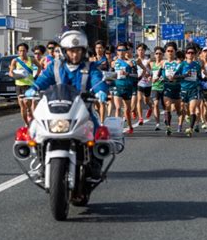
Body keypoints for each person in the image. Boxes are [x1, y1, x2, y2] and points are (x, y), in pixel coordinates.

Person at [25, 31, 109, 180]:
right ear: (65, 52)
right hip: (57, 109)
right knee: (36, 130)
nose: (74, 55)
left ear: (83, 51)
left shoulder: (90, 67)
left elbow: (98, 80)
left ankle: (95, 163)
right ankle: (42, 164)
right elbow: (44, 79)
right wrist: (34, 88)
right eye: (71, 51)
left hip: (83, 110)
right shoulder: (55, 66)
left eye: (78, 51)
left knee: (97, 132)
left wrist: (100, 91)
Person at [9, 43, 42, 127]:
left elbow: (39, 66)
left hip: (29, 85)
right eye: (20, 51)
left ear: (27, 51)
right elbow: (11, 72)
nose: (22, 52)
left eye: (23, 50)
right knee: (22, 106)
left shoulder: (32, 60)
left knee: (27, 102)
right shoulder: (15, 61)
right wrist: (15, 75)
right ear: (18, 52)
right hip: (19, 85)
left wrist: (36, 75)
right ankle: (27, 124)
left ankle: (29, 111)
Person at [178, 45, 205, 137]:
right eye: (188, 53)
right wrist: (185, 75)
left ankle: (190, 129)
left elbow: (199, 77)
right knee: (184, 108)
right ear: (186, 54)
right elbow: (175, 76)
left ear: (194, 55)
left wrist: (205, 78)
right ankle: (187, 116)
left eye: (192, 53)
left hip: (194, 89)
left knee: (192, 108)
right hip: (184, 89)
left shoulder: (197, 65)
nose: (190, 54)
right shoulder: (182, 64)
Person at [112, 42, 136, 134]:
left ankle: (130, 126)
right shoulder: (113, 63)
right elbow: (110, 74)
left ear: (126, 51)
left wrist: (127, 74)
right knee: (117, 108)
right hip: (117, 86)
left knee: (127, 109)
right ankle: (117, 128)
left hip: (127, 87)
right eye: (119, 50)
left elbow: (135, 75)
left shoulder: (130, 62)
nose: (121, 52)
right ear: (117, 51)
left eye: (123, 50)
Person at [162, 42, 182, 136]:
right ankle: (168, 127)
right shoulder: (163, 63)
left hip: (177, 87)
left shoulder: (178, 63)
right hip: (167, 86)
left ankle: (180, 124)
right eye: (168, 51)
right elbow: (159, 74)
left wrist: (175, 77)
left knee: (178, 110)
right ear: (165, 52)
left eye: (171, 51)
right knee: (167, 105)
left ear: (175, 52)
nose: (170, 53)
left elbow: (183, 75)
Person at [151, 46, 165, 131]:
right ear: (154, 55)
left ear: (163, 55)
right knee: (155, 104)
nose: (158, 55)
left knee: (165, 106)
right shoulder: (151, 64)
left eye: (160, 53)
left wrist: (160, 78)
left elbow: (165, 74)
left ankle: (166, 118)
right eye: (157, 53)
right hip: (155, 87)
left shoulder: (164, 63)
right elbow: (147, 71)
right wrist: (149, 77)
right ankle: (157, 123)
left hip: (164, 86)